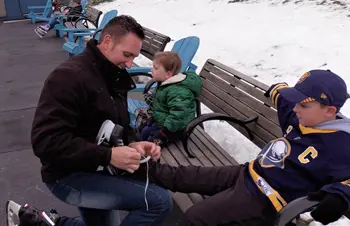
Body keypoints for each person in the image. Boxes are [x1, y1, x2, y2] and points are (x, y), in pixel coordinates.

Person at [134, 69, 350, 225]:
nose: (295, 108)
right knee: (185, 176)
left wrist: (339, 197)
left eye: (303, 104)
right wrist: (278, 90)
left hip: (266, 200)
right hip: (249, 172)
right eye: (296, 101)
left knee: (195, 217)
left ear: (330, 110)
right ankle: (135, 168)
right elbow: (283, 99)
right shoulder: (303, 118)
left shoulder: (341, 145)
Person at [20, 15, 173, 226]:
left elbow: (116, 121)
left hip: (95, 166)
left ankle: (43, 223)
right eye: (127, 55)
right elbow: (45, 142)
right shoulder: (68, 77)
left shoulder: (112, 73)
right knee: (159, 202)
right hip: (68, 174)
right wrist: (108, 155)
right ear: (107, 41)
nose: (130, 64)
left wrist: (133, 143)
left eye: (134, 57)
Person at [140, 51, 202, 146]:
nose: (151, 70)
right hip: (165, 123)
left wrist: (163, 133)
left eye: (155, 68)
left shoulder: (177, 91)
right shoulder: (165, 84)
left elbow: (179, 115)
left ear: (168, 74)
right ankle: (141, 153)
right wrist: (154, 116)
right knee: (144, 131)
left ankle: (147, 157)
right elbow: (161, 106)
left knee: (150, 139)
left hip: (177, 129)